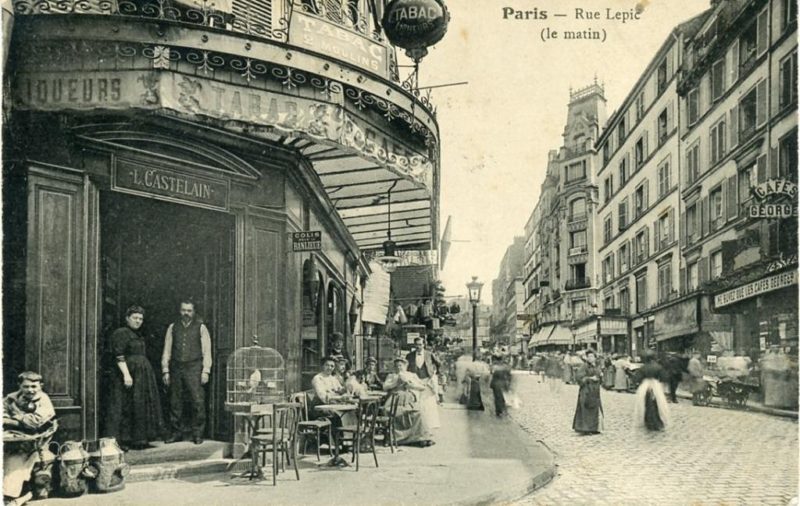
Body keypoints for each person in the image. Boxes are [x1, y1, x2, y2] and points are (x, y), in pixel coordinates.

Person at [106, 305, 165, 450]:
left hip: (141, 376)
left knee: (138, 405)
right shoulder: (121, 333)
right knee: (125, 406)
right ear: (127, 318)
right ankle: (122, 441)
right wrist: (126, 374)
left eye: (141, 319)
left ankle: (138, 439)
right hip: (128, 375)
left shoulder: (137, 334)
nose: (138, 321)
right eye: (135, 318)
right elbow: (119, 355)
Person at [162, 300, 213, 445]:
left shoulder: (201, 328)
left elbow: (207, 351)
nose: (186, 313)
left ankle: (197, 434)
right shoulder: (172, 328)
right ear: (180, 311)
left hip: (194, 367)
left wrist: (206, 371)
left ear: (194, 312)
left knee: (197, 401)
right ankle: (176, 433)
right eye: (184, 310)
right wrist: (165, 370)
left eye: (189, 310)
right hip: (176, 367)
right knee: (175, 401)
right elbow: (167, 350)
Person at [4, 372, 57, 505]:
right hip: (11, 436)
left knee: (16, 460)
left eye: (34, 386)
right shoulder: (11, 398)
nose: (30, 390)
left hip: (35, 438)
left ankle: (10, 494)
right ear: (19, 386)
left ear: (41, 386)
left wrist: (14, 416)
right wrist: (20, 420)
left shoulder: (44, 400)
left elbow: (34, 423)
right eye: (26, 386)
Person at [382, 358, 434, 447]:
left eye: (400, 366)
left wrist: (411, 385)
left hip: (409, 398)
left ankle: (420, 437)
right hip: (396, 398)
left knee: (419, 413)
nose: (398, 368)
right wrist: (395, 383)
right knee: (392, 412)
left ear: (406, 366)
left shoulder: (412, 375)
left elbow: (422, 387)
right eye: (396, 366)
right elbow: (385, 387)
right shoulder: (391, 376)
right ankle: (397, 438)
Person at [405, 337, 441, 428]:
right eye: (416, 344)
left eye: (420, 344)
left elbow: (438, 363)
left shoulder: (429, 354)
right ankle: (417, 425)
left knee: (429, 402)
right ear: (414, 345)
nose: (418, 346)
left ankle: (430, 424)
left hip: (427, 380)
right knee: (416, 402)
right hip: (415, 381)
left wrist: (435, 372)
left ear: (424, 345)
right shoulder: (409, 356)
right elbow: (407, 367)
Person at [633, 351, 670, 431]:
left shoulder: (643, 368)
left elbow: (637, 378)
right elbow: (664, 377)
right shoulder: (658, 367)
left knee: (644, 403)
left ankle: (648, 421)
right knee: (659, 403)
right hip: (655, 385)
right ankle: (657, 421)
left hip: (645, 385)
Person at [572, 350, 603, 435]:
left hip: (594, 391)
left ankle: (593, 428)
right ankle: (585, 428)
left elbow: (599, 376)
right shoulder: (584, 366)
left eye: (592, 356)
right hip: (586, 390)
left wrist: (600, 376)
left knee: (594, 408)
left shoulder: (596, 366)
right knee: (585, 408)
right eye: (589, 357)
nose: (591, 358)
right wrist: (589, 378)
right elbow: (579, 377)